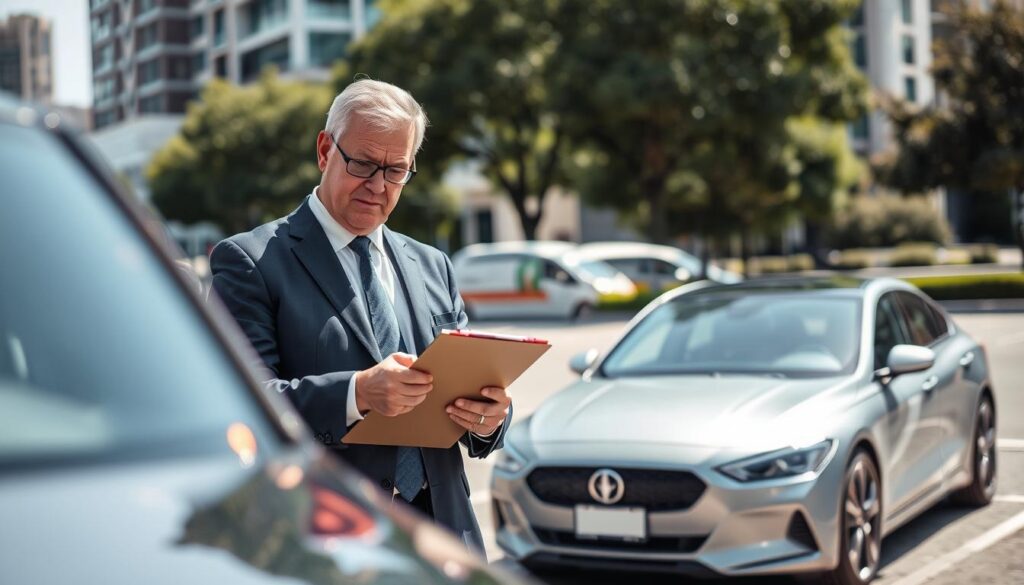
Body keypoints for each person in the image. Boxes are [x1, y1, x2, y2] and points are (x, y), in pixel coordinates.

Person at [209, 79, 511, 551]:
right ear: (325, 149)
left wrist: (489, 418)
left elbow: (470, 395)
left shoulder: (433, 264)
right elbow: (242, 405)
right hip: (325, 539)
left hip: (446, 536)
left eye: (396, 171)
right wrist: (358, 393)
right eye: (364, 164)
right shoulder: (250, 262)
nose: (379, 186)